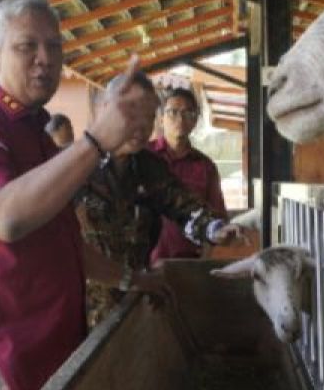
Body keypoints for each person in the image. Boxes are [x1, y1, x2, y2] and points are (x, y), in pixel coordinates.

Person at [0, 0, 163, 390]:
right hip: (11, 363)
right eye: (28, 47)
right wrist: (95, 141)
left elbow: (64, 242)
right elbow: (5, 218)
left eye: (54, 47)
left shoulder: (36, 134)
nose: (45, 60)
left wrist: (130, 277)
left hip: (55, 351)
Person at [76, 74, 250, 327]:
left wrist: (215, 228)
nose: (141, 124)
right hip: (82, 303)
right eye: (132, 112)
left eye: (149, 116)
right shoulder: (76, 164)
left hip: (137, 296)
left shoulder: (150, 167)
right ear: (106, 110)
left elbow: (184, 206)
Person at [149, 87, 229, 263]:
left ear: (195, 121)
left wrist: (203, 262)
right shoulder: (145, 157)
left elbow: (217, 216)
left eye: (188, 113)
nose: (180, 119)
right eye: (173, 112)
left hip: (189, 263)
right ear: (161, 118)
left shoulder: (205, 167)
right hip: (146, 265)